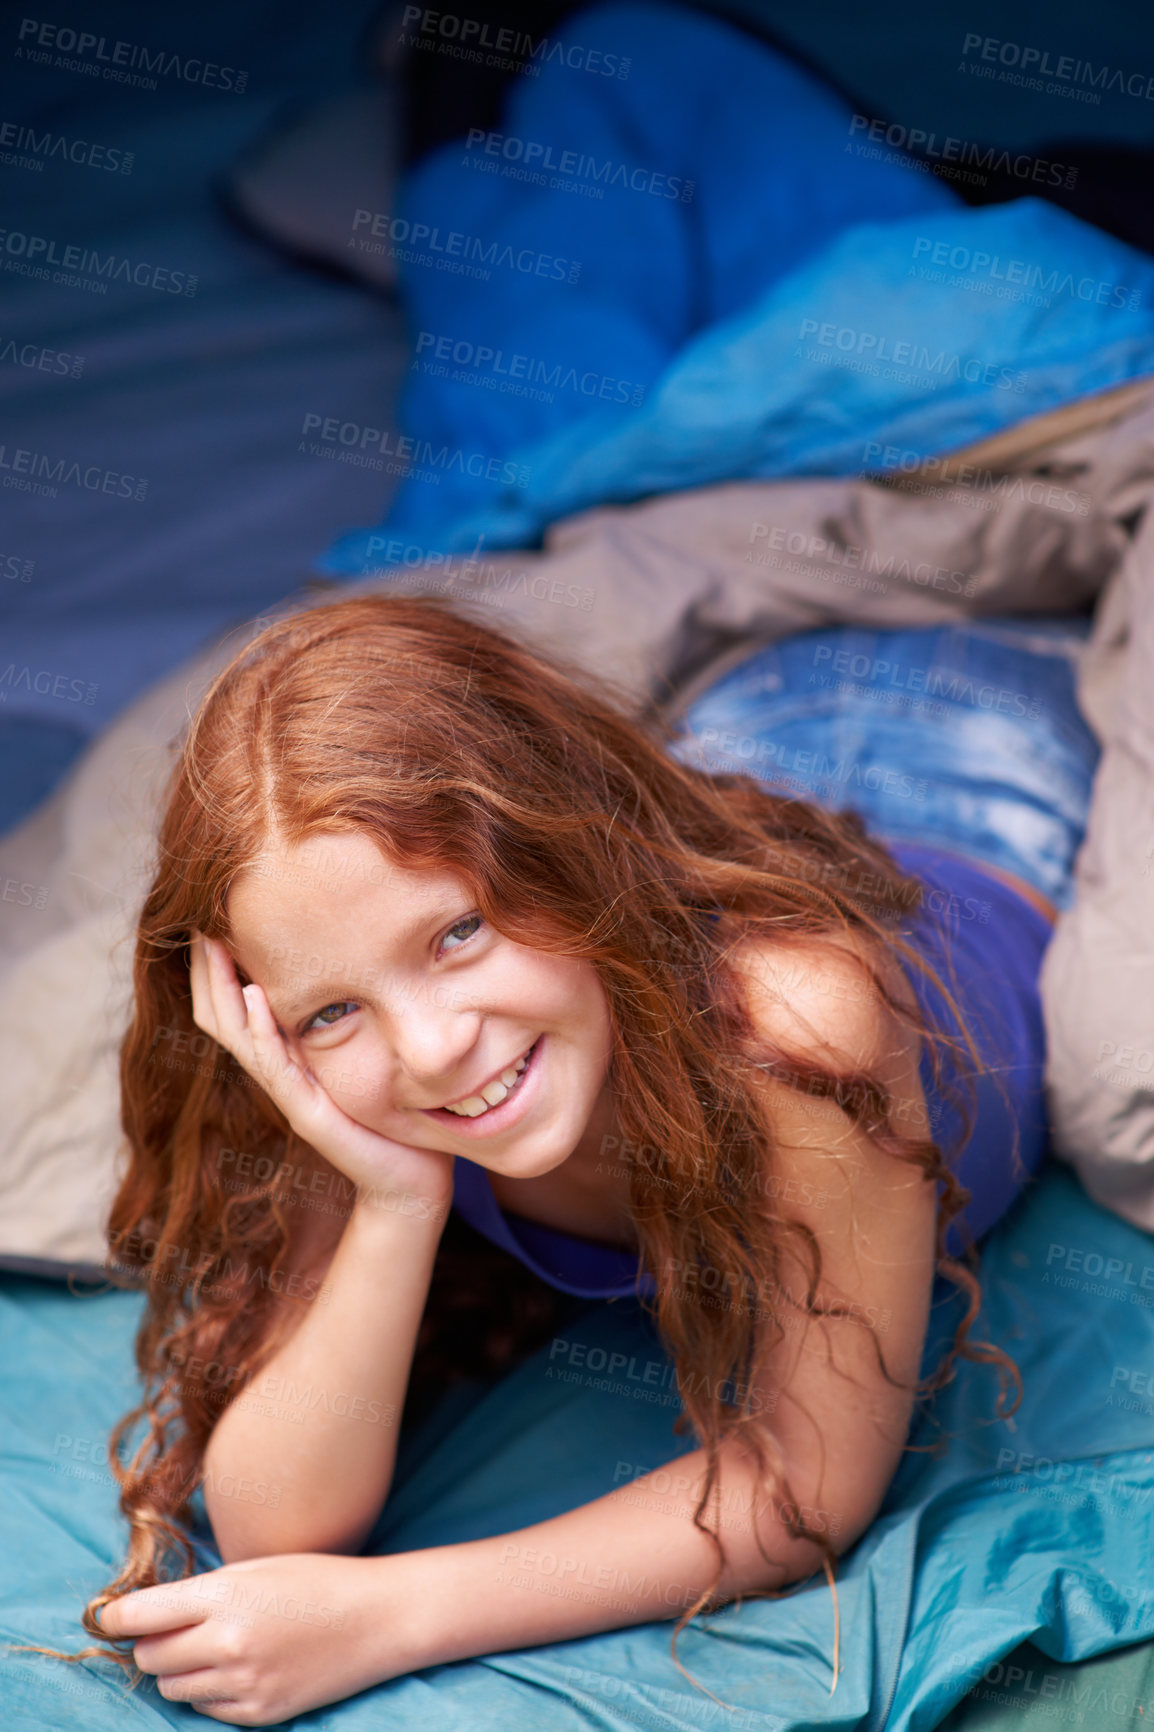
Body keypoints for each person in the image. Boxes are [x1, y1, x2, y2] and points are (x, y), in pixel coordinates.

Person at [51, 593, 1097, 1725]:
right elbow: (276, 1528)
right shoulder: (334, 1072)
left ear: (573, 850)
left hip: (984, 778)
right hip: (752, 727)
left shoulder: (796, 1029)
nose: (431, 1050)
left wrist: (393, 1612)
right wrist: (393, 1201)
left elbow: (804, 1481)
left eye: (456, 932)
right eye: (333, 1009)